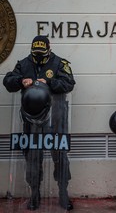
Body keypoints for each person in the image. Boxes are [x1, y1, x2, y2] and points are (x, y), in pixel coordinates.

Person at [3, 35, 75, 211]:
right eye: (36, 53)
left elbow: (69, 83)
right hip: (31, 120)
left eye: (42, 53)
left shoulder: (59, 63)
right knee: (33, 158)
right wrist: (21, 81)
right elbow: (8, 81)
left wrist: (49, 82)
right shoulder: (24, 63)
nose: (39, 57)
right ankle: (34, 194)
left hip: (56, 118)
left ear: (49, 49)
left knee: (60, 157)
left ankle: (63, 193)